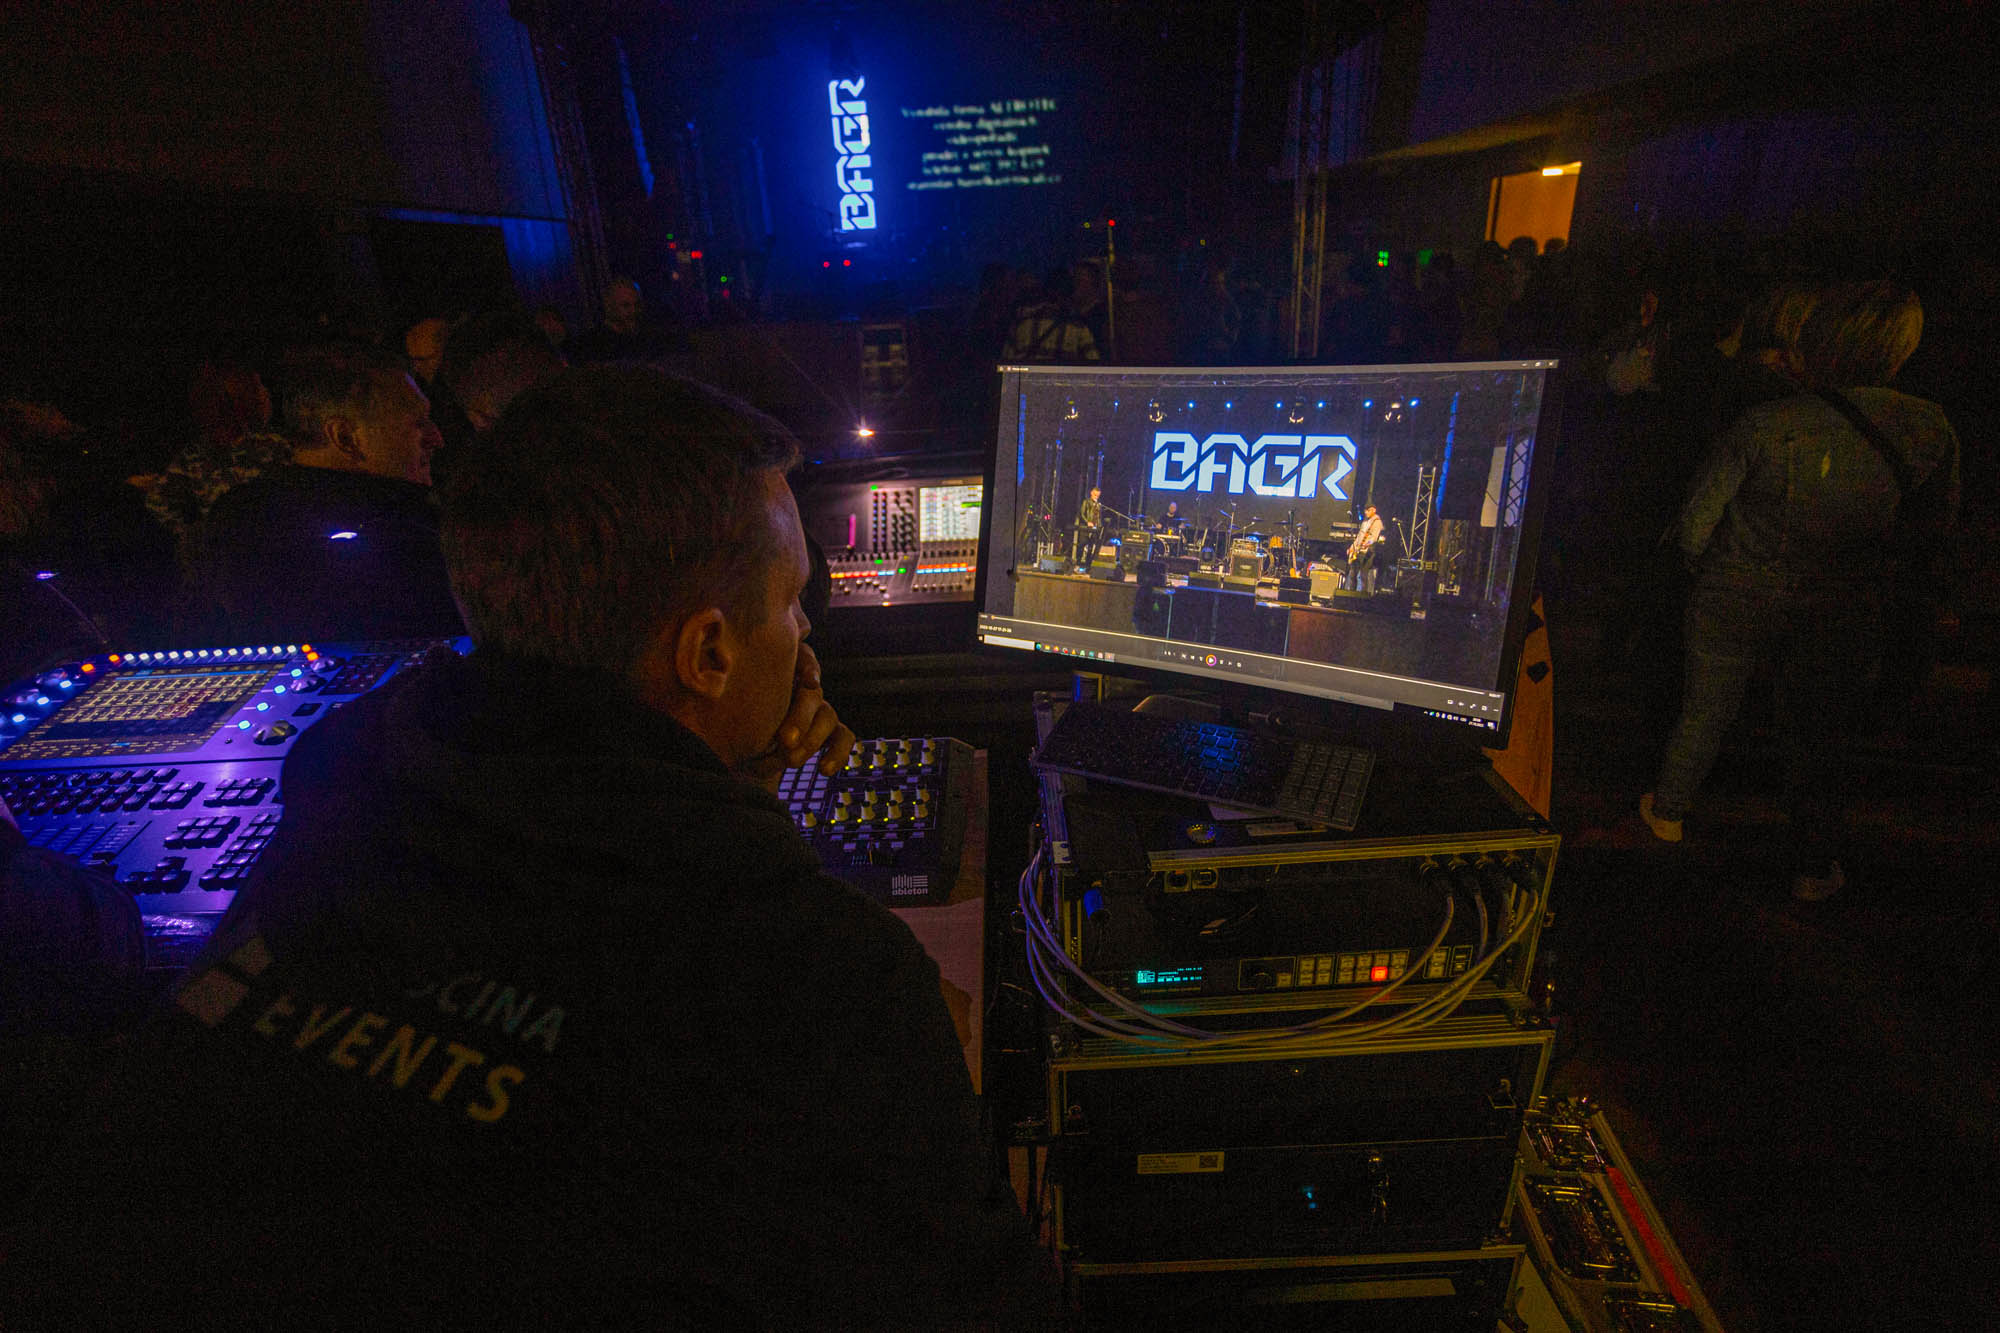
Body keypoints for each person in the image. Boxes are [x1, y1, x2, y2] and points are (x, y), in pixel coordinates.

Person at [2, 366, 1064, 1329]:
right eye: (792, 601)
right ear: (707, 651)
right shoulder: (823, 980)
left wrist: (718, 774)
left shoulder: (342, 791)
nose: (806, 636)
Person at [1639, 282, 1960, 902]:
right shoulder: (1929, 428)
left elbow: (1695, 526)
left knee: (1705, 712)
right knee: (1817, 737)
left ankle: (1668, 814)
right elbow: (1934, 537)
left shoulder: (1768, 422)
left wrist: (1700, 568)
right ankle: (1811, 865)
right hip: (1839, 600)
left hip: (1737, 588)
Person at [192, 342, 465, 643]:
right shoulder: (407, 527)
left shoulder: (237, 518)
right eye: (417, 423)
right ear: (345, 438)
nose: (436, 438)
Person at [1347, 502, 1385, 591]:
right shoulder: (1365, 521)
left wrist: (1368, 543)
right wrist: (1352, 547)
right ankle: (1351, 593)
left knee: (1363, 574)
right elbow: (1359, 536)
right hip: (1358, 550)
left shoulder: (1377, 522)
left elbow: (1374, 538)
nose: (1366, 512)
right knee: (1352, 573)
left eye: (1368, 510)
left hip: (1368, 551)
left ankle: (1363, 595)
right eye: (1365, 511)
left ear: (1374, 510)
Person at [1074, 485, 1104, 569]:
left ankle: (1088, 566)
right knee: (1082, 545)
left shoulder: (1098, 505)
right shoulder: (1086, 502)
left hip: (1094, 528)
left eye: (1098, 495)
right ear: (1091, 493)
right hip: (1086, 527)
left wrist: (1099, 526)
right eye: (1095, 495)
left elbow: (1099, 517)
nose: (1096, 497)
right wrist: (1087, 522)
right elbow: (1082, 513)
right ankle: (1078, 563)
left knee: (1091, 547)